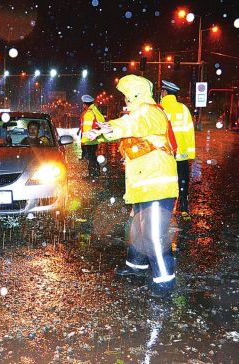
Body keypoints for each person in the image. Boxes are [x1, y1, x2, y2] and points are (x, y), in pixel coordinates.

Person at [85, 75, 179, 297]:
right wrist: (99, 134)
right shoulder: (139, 114)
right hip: (143, 186)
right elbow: (128, 132)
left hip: (157, 185)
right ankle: (136, 266)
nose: (125, 101)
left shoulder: (150, 112)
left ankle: (165, 280)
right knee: (137, 229)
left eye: (127, 96)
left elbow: (130, 125)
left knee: (154, 234)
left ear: (136, 95)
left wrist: (109, 127)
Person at [160, 80, 196, 219]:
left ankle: (164, 209)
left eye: (162, 91)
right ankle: (183, 208)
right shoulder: (183, 109)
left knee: (164, 181)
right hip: (181, 154)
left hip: (164, 154)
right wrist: (190, 154)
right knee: (182, 181)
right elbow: (189, 132)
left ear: (165, 92)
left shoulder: (159, 109)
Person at [79, 94, 105, 177]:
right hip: (95, 137)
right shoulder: (95, 110)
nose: (83, 105)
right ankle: (96, 172)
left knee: (91, 157)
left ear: (85, 104)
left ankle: (93, 174)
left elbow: (87, 128)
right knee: (93, 156)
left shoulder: (89, 113)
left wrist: (84, 141)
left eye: (83, 104)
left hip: (90, 139)